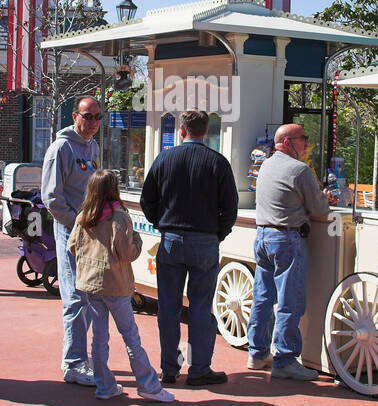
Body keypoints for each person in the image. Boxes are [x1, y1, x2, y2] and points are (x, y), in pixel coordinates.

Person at [140, 109, 239, 386]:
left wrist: (162, 223)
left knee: (168, 307)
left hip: (171, 239)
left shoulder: (164, 159)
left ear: (181, 130)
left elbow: (148, 200)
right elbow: (229, 208)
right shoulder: (217, 162)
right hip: (204, 240)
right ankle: (198, 368)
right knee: (200, 307)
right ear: (205, 132)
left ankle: (169, 368)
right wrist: (217, 233)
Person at [68, 170, 174, 403]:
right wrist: (137, 240)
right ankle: (148, 385)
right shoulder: (119, 217)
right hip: (115, 284)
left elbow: (72, 246)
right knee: (130, 337)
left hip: (91, 284)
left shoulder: (84, 215)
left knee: (99, 337)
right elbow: (127, 253)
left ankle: (105, 386)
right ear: (114, 189)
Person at [249, 123, 338, 382]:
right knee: (290, 301)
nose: (306, 144)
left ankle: (257, 353)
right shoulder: (299, 170)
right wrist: (323, 198)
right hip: (287, 238)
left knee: (263, 297)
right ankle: (286, 359)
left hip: (263, 236)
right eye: (303, 139)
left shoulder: (265, 165)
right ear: (287, 142)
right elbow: (320, 210)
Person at [40, 95, 103, 387]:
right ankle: (74, 363)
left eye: (97, 117)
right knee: (75, 297)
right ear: (74, 117)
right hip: (71, 234)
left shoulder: (92, 147)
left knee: (89, 296)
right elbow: (52, 197)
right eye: (87, 116)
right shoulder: (60, 149)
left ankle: (81, 356)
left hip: (92, 234)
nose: (92, 123)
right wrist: (75, 225)